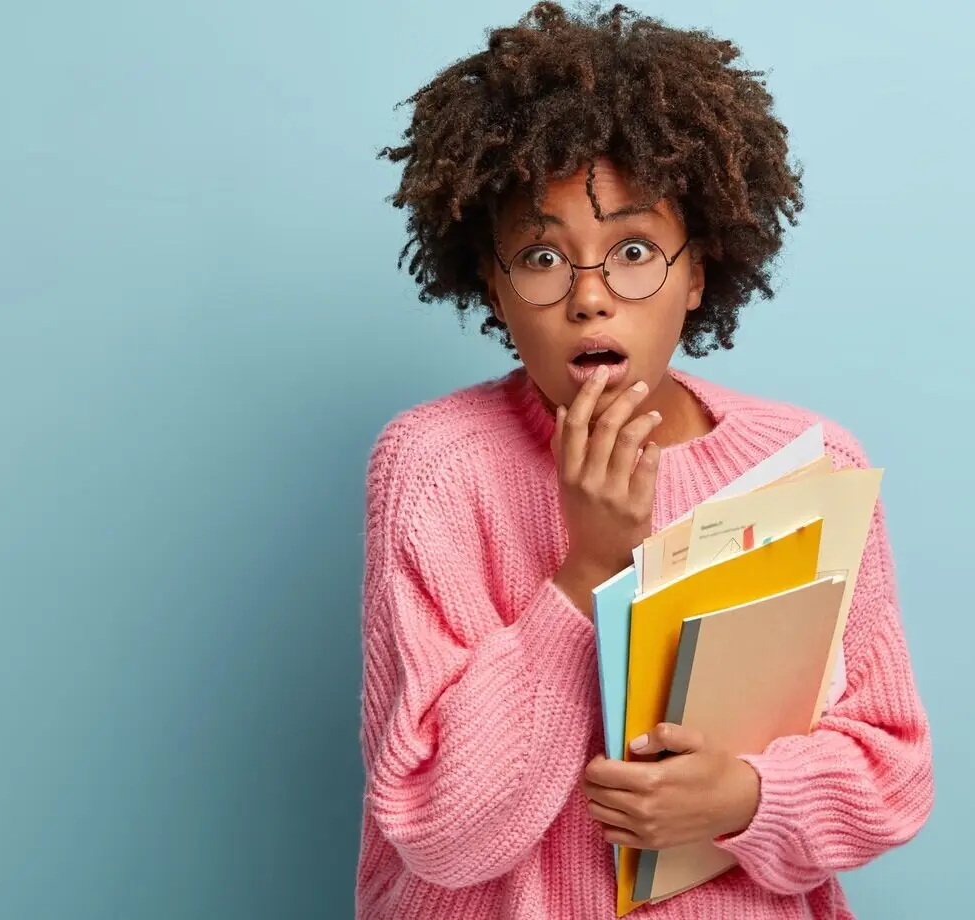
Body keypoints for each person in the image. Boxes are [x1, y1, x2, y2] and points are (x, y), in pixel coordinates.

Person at [356, 4, 933, 918]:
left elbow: (890, 771)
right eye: (542, 257)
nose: (590, 300)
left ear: (697, 273)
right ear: (493, 288)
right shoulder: (435, 467)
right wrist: (587, 570)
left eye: (632, 251)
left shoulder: (811, 465)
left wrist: (744, 798)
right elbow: (437, 827)